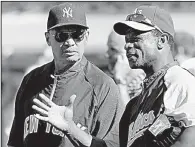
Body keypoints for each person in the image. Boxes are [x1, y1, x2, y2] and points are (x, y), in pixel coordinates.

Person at [7, 3, 123, 147]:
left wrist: (72, 129)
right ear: (48, 38)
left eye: (77, 35)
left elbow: (112, 145)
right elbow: (15, 141)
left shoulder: (103, 86)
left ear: (86, 36)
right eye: (61, 35)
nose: (69, 42)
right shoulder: (31, 80)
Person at [113, 5, 195, 147]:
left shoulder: (179, 80)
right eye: (127, 39)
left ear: (162, 40)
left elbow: (190, 138)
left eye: (135, 38)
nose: (127, 45)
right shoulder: (135, 102)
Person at [106, 29, 146, 105]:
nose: (107, 54)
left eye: (113, 49)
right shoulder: (108, 79)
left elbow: (127, 116)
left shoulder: (143, 84)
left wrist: (120, 82)